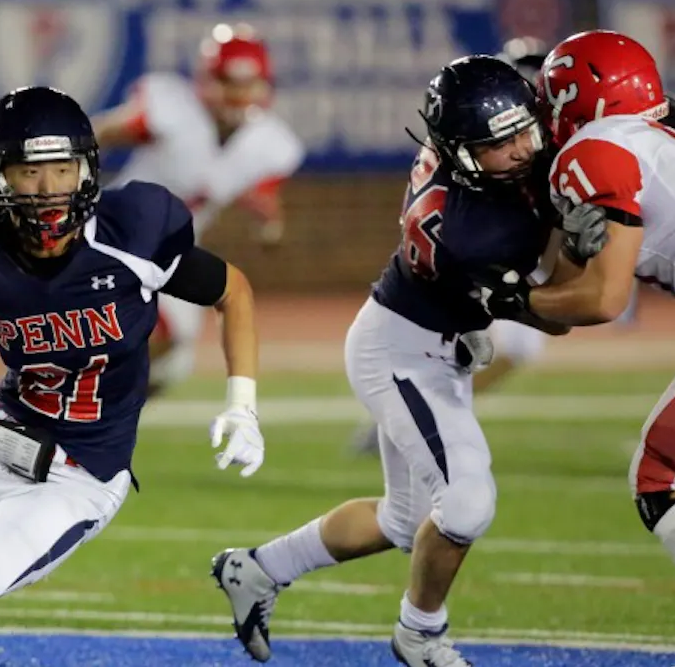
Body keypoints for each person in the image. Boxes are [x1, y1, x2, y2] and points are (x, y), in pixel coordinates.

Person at [0, 86, 266, 667]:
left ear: (87, 168)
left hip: (78, 478)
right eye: (29, 172)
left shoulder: (130, 238)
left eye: (63, 169)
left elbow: (232, 291)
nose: (49, 189)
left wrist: (242, 402)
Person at [213, 56, 590, 667]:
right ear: (463, 155)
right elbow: (563, 315)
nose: (525, 147)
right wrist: (585, 238)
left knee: (404, 519)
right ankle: (421, 633)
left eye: (526, 129)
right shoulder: (467, 233)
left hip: (428, 339)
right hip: (405, 352)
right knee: (467, 504)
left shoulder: (487, 161)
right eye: (502, 143)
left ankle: (257, 568)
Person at [471, 30, 675, 667]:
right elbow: (570, 298)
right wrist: (542, 283)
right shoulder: (663, 144)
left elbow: (600, 301)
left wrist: (510, 300)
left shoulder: (593, 149)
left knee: (663, 475)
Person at [350, 37, 554, 457]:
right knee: (517, 342)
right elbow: (566, 312)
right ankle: (422, 413)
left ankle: (422, 413)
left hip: (448, 274)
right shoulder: (473, 223)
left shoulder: (469, 145)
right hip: (470, 270)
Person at [93, 22, 303, 395]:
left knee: (172, 362)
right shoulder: (172, 109)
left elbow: (265, 198)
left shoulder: (270, 144)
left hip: (170, 248)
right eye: (228, 83)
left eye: (247, 84)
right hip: (118, 231)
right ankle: (68, 390)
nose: (238, 95)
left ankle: (93, 401)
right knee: (153, 330)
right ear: (206, 81)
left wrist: (269, 223)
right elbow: (102, 132)